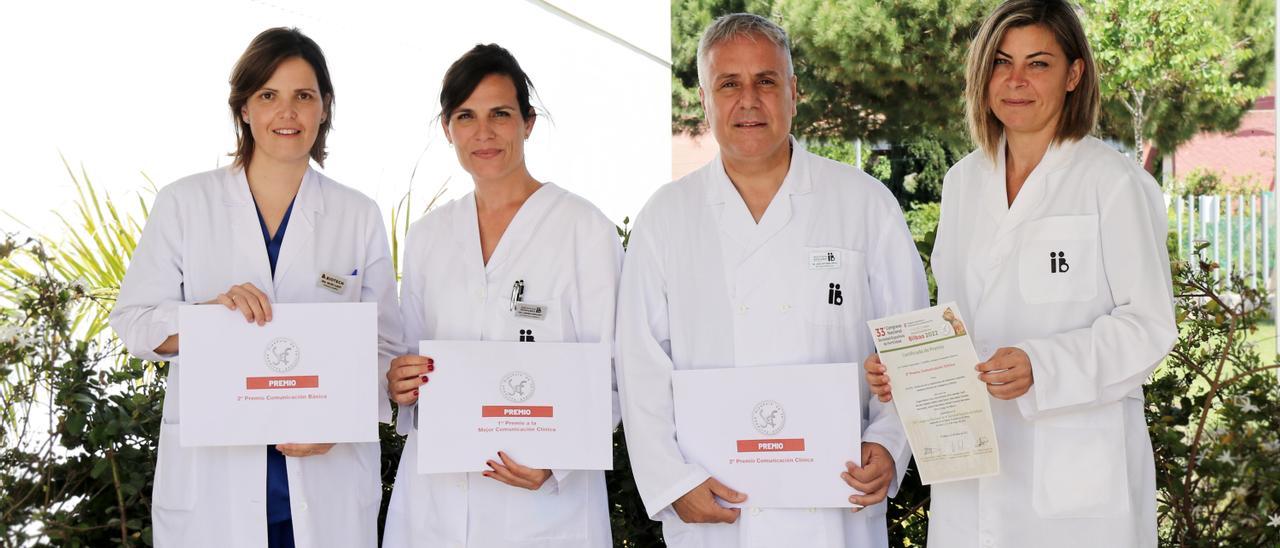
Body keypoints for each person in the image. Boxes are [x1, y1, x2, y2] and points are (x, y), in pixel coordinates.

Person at [864, 1, 1177, 546]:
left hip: (1075, 481)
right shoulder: (964, 183)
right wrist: (907, 368)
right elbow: (955, 321)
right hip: (970, 462)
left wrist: (1043, 365)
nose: (1015, 81)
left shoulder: (1113, 182)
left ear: (1074, 74)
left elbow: (1149, 327)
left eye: (1038, 63)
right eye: (1001, 62)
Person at [616, 13, 927, 548]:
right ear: (705, 98)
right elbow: (641, 361)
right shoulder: (666, 216)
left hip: (836, 505)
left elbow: (906, 344)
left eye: (766, 80)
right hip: (715, 505)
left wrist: (888, 444)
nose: (749, 100)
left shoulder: (863, 203)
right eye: (728, 83)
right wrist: (673, 481)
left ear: (794, 92)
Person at [109, 28, 401, 548]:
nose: (286, 113)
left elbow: (382, 345)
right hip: (213, 489)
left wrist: (340, 422)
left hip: (325, 481)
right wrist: (206, 319)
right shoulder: (184, 203)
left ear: (325, 108)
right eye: (268, 96)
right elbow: (132, 325)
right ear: (244, 108)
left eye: (303, 97)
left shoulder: (358, 215)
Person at [381, 44, 621, 548]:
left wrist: (560, 460)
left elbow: (617, 370)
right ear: (447, 128)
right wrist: (400, 381)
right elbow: (410, 355)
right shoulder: (429, 236)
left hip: (546, 507)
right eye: (465, 116)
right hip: (436, 504)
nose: (483, 133)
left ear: (528, 122)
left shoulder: (584, 230)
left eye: (500, 114)